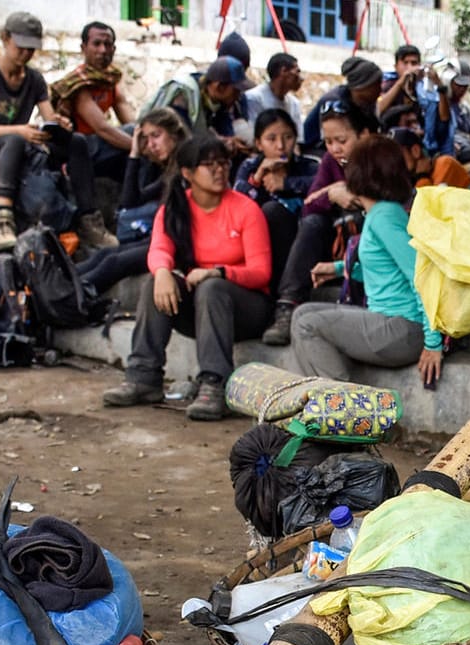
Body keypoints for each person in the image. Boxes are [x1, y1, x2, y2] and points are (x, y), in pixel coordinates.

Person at [101, 135, 270, 422]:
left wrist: (219, 271)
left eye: (223, 163)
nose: (219, 170)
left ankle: (215, 385)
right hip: (202, 312)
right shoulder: (174, 209)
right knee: (156, 282)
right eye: (209, 165)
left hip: (247, 309)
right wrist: (164, 272)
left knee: (211, 287)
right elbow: (158, 250)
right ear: (187, 173)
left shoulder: (245, 209)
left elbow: (261, 272)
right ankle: (144, 377)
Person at [290, 135, 444, 389]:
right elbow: (386, 267)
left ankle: (347, 411)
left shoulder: (384, 217)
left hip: (403, 329)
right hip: (390, 321)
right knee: (302, 313)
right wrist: (338, 268)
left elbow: (421, 274)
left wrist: (433, 343)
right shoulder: (382, 213)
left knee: (307, 325)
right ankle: (335, 404)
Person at [0, 12, 111, 252]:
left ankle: (88, 218)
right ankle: (2, 218)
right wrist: (20, 131)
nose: (26, 54)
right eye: (20, 47)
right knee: (13, 140)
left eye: (31, 49)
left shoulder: (34, 79)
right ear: (5, 39)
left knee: (76, 142)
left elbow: (48, 117)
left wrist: (59, 124)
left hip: (18, 147)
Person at [264, 102, 378, 346]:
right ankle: (287, 306)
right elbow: (310, 205)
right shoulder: (330, 162)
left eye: (342, 140)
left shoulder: (381, 159)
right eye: (328, 142)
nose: (335, 148)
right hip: (336, 244)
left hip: (371, 248)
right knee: (313, 223)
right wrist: (331, 194)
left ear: (364, 135)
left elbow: (392, 207)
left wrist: (356, 195)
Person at [77, 106, 189, 298]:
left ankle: (71, 299)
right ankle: (58, 283)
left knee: (114, 263)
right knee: (106, 255)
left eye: (157, 135)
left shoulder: (188, 165)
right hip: (164, 237)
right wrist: (135, 152)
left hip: (181, 242)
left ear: (174, 134)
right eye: (147, 138)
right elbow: (130, 201)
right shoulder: (169, 170)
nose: (152, 144)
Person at [232, 108, 316, 304]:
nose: (281, 146)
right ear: (259, 144)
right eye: (271, 139)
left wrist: (286, 184)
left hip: (299, 246)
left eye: (288, 137)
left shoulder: (309, 167)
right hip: (258, 249)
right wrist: (257, 179)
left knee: (275, 212)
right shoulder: (249, 168)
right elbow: (235, 207)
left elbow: (321, 188)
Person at [49, 21, 137, 185]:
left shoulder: (111, 79)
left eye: (107, 44)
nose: (103, 50)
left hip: (101, 149)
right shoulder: (78, 84)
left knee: (135, 132)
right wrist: (142, 148)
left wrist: (146, 140)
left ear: (114, 49)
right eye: (96, 44)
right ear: (83, 48)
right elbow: (102, 128)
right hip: (79, 151)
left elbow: (130, 120)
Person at [144, 56, 256, 157]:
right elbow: (183, 139)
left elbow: (224, 131)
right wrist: (219, 142)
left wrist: (230, 141)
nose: (238, 96)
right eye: (236, 91)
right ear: (220, 87)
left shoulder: (218, 101)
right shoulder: (184, 95)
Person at [378, 43, 455, 160]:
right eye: (405, 63)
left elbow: (444, 118)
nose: (410, 67)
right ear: (396, 66)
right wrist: (401, 82)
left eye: (414, 63)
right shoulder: (388, 86)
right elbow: (378, 109)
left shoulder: (425, 89)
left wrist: (439, 85)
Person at [301, 57, 384, 153]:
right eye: (376, 85)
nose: (380, 89)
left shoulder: (367, 102)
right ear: (363, 86)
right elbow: (333, 142)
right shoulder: (334, 103)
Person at [389, 127, 470, 190]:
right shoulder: (409, 180)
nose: (394, 162)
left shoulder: (444, 165)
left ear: (415, 151)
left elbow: (430, 206)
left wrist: (422, 177)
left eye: (397, 155)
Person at [245, 51, 304, 130]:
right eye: (297, 72)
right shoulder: (254, 98)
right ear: (284, 71)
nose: (301, 78)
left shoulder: (294, 104)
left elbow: (300, 138)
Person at [445, 69, 470, 156]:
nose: (462, 89)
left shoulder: (463, 107)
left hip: (468, 147)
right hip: (455, 151)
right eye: (459, 85)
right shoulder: (442, 107)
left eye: (465, 86)